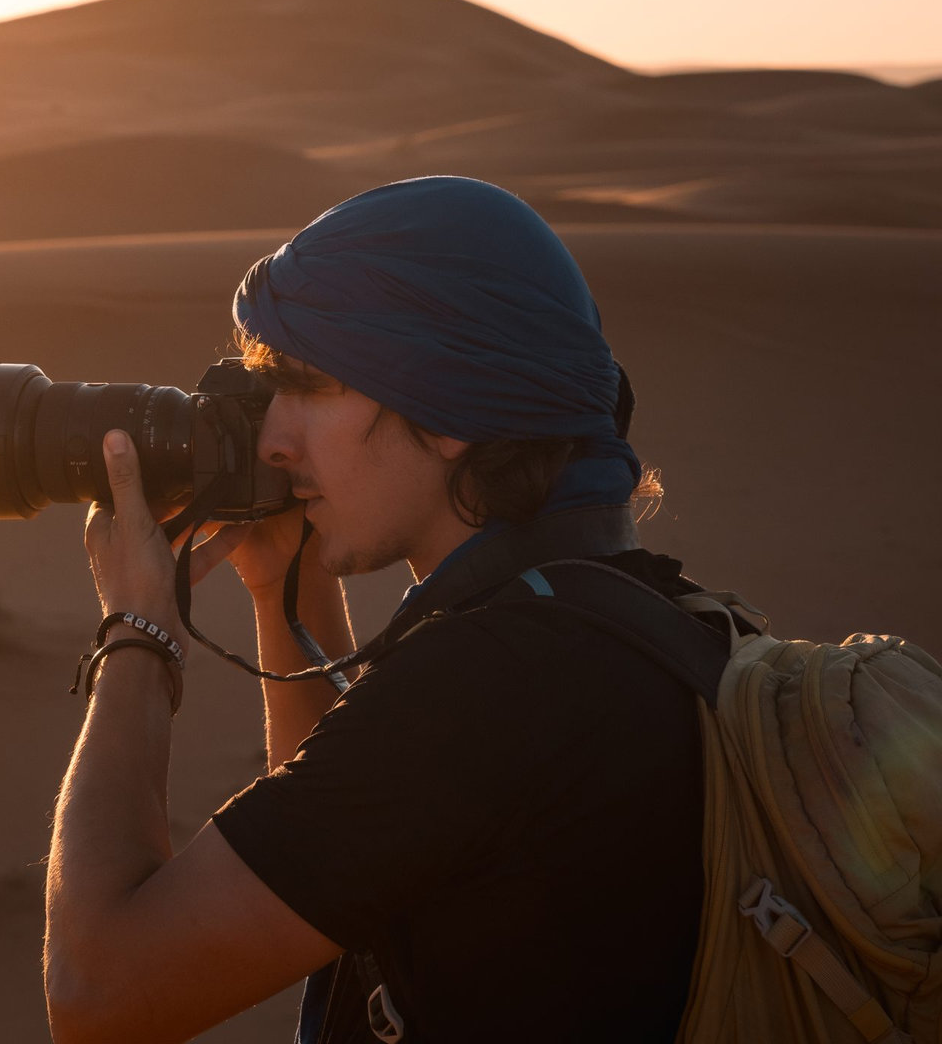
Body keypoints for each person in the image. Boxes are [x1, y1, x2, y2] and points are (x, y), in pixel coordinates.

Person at [42, 176, 700, 1044]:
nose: (274, 440)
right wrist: (292, 587)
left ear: (448, 401)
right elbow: (336, 884)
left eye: (309, 385)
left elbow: (99, 993)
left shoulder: (485, 692)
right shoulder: (639, 619)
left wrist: (138, 628)